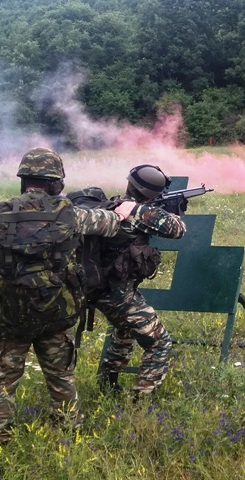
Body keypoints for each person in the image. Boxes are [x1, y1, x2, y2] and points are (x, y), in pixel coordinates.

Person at [0, 147, 141, 444]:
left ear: (24, 180)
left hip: (10, 315)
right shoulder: (71, 215)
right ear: (54, 183)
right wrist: (123, 211)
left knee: (2, 382)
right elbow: (112, 224)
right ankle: (68, 430)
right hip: (56, 312)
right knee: (61, 376)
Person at [74, 164, 186, 400]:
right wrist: (176, 212)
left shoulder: (113, 205)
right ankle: (141, 398)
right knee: (160, 343)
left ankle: (107, 385)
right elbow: (177, 229)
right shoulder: (138, 212)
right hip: (116, 292)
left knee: (124, 331)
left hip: (96, 287)